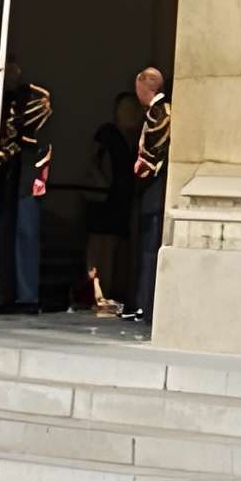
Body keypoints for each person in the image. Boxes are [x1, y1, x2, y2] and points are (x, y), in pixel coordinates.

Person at [0, 67, 52, 315]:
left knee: (26, 234)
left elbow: (40, 144)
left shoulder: (33, 101)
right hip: (6, 175)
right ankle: (3, 292)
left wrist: (40, 177)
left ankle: (26, 296)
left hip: (26, 174)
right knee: (3, 233)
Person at [81, 91, 139, 316]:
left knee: (112, 247)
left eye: (132, 110)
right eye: (125, 109)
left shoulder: (135, 140)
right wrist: (101, 181)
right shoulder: (107, 133)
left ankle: (108, 292)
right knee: (97, 246)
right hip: (102, 197)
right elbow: (92, 159)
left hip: (121, 201)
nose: (129, 114)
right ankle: (95, 293)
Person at [127, 63, 172, 325]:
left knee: (148, 248)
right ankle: (142, 302)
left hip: (153, 188)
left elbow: (153, 149)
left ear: (146, 87)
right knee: (145, 247)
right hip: (150, 189)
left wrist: (142, 166)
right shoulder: (156, 110)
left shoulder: (159, 111)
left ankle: (145, 304)